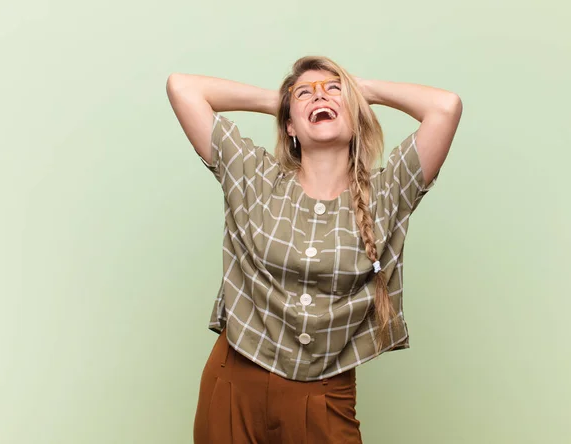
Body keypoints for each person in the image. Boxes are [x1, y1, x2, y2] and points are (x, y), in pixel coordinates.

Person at [166, 55, 462, 443]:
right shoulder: (254, 176)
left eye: (333, 90)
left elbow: (446, 107)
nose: (319, 96)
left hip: (324, 393)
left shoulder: (389, 192)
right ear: (290, 125)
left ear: (356, 115)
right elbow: (182, 87)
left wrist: (362, 90)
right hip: (235, 377)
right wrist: (281, 102)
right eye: (304, 93)